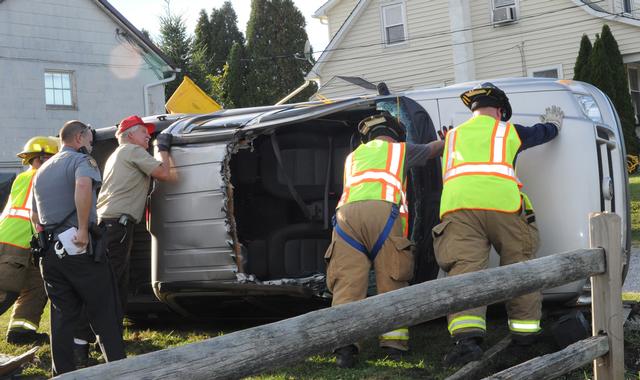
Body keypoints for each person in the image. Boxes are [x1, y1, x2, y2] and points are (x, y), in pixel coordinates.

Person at [433, 82, 564, 367]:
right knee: (520, 266)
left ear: (473, 109)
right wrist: (553, 124)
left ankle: (466, 342)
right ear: (501, 110)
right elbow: (544, 133)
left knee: (465, 271)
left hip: (459, 209)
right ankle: (525, 337)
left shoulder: (452, 136)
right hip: (504, 207)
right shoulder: (509, 130)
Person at [325, 112, 444, 368]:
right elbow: (432, 150)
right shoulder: (398, 151)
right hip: (383, 214)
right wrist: (449, 139)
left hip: (345, 217)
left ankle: (345, 349)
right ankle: (393, 346)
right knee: (391, 276)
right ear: (394, 134)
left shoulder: (352, 157)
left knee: (347, 282)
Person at [31, 120, 125, 375]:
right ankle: (121, 370)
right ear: (79, 137)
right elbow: (83, 186)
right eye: (90, 139)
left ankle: (62, 373)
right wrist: (83, 229)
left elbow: (35, 216)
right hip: (78, 246)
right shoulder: (82, 162)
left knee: (62, 316)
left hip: (50, 251)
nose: (92, 144)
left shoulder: (42, 170)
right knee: (104, 309)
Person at [96, 115, 173, 321]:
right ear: (129, 135)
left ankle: (111, 331)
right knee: (113, 279)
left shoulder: (116, 154)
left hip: (109, 223)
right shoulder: (133, 150)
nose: (148, 136)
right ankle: (100, 334)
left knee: (116, 278)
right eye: (143, 132)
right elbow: (164, 173)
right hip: (118, 223)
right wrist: (163, 148)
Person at [0, 137, 59, 345]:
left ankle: (21, 333)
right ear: (43, 159)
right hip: (14, 243)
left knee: (36, 287)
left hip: (28, 244)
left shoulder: (27, 177)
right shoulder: (38, 176)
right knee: (5, 291)